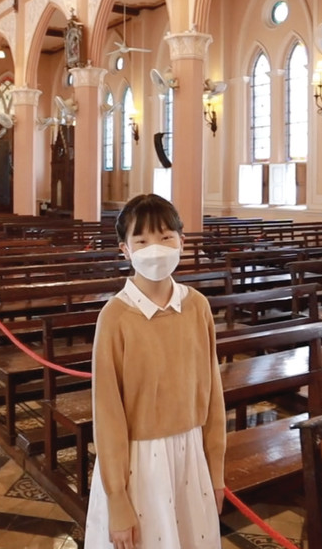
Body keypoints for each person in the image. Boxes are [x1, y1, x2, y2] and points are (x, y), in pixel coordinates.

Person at [85, 194, 225, 549]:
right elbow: (108, 413)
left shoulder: (197, 306)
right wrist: (117, 497)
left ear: (182, 241)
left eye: (165, 237)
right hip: (139, 464)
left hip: (191, 458)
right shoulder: (115, 317)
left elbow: (213, 395)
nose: (156, 249)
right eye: (142, 240)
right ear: (125, 250)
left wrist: (217, 471)